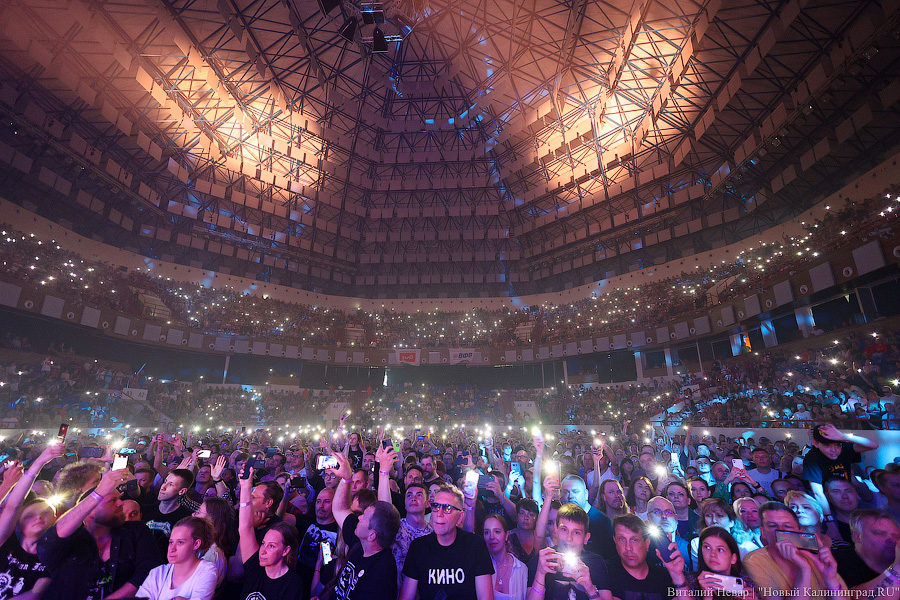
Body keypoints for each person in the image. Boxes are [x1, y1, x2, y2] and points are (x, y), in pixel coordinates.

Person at [38, 467, 163, 600]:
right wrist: (99, 492)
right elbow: (48, 543)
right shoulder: (72, 540)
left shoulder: (135, 531)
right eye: (112, 500)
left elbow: (149, 571)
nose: (121, 503)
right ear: (90, 510)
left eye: (119, 498)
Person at [399, 486, 494, 600]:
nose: (439, 514)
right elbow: (406, 597)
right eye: (436, 506)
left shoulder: (475, 545)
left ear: (460, 517)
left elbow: (486, 597)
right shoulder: (419, 547)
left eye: (447, 508)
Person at [742, 501, 846, 599]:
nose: (781, 531)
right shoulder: (754, 560)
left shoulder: (814, 556)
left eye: (788, 526)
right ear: (763, 532)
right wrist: (804, 569)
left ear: (799, 532)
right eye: (773, 526)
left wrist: (830, 579)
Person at [0, 443, 63, 600]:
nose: (38, 517)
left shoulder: (53, 557)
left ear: (54, 520)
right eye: (29, 515)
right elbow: (13, 506)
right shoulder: (5, 544)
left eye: (46, 512)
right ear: (17, 525)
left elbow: (35, 594)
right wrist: (40, 461)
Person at [237, 467, 304, 600]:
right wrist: (245, 488)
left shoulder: (292, 584)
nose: (262, 551)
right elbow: (245, 528)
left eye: (271, 546)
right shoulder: (255, 568)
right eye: (263, 544)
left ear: (285, 550)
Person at [526, 503, 612, 600]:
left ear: (586, 538)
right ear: (556, 530)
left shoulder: (596, 562)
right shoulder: (543, 559)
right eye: (564, 530)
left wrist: (590, 589)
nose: (569, 538)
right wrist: (540, 573)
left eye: (576, 532)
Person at [605, 514, 688, 600]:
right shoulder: (605, 572)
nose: (628, 548)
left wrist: (677, 575)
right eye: (622, 539)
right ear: (615, 541)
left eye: (634, 540)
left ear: (647, 544)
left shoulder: (662, 576)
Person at [331, 500, 401, 600]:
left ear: (371, 535)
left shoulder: (382, 573)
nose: (359, 517)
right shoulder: (359, 548)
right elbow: (340, 509)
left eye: (364, 517)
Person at [136, 516, 218, 600]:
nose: (172, 549)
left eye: (180, 542)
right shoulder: (158, 573)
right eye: (171, 542)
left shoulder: (207, 571)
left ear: (196, 544)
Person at [802, 424, 878, 514]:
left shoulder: (844, 448)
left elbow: (873, 445)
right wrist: (829, 518)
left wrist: (844, 437)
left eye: (837, 445)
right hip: (825, 503)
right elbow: (818, 493)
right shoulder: (812, 458)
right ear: (815, 443)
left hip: (847, 495)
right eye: (827, 445)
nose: (833, 450)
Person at [831, 509, 900, 591]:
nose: (892, 540)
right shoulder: (834, 563)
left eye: (896, 536)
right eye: (880, 533)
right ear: (858, 537)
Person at [692, 526, 758, 599]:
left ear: (733, 558)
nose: (712, 554)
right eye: (707, 547)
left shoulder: (746, 583)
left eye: (720, 550)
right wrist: (707, 597)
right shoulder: (691, 582)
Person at [560, 475, 615, 559]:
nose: (570, 496)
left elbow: (610, 557)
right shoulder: (561, 520)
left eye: (575, 491)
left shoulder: (603, 522)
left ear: (586, 494)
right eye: (566, 492)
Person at [143, 469, 195, 557]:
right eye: (165, 482)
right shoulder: (146, 510)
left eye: (171, 484)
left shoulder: (185, 518)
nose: (163, 487)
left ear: (182, 491)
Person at [484, 515, 528, 600]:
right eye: (486, 532)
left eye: (497, 531)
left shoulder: (521, 569)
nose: (491, 537)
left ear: (506, 535)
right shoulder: (481, 568)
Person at [193, 497, 232, 587]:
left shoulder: (213, 555)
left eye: (198, 512)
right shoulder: (203, 545)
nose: (193, 515)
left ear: (213, 521)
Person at [646, 496, 692, 572]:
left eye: (668, 512)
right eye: (657, 512)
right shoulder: (643, 546)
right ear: (649, 517)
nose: (664, 516)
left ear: (676, 519)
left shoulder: (688, 547)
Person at [822, 478, 859, 543]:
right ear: (827, 496)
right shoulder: (825, 529)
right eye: (836, 491)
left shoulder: (872, 520)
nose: (845, 496)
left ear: (856, 493)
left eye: (848, 491)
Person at [508, 499, 539, 565]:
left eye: (531, 514)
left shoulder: (540, 539)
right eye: (522, 513)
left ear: (536, 518)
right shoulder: (508, 538)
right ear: (517, 516)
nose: (526, 518)